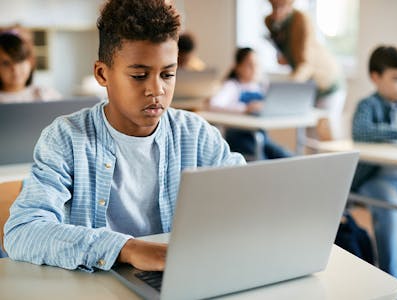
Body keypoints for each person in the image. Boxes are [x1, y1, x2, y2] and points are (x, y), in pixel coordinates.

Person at [3, 0, 245, 271]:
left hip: (175, 277)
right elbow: (22, 232)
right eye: (140, 75)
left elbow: (246, 200)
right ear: (102, 74)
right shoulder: (66, 138)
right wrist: (127, 249)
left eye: (168, 74)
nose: (157, 90)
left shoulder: (197, 134)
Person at [264, 0, 346, 140]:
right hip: (308, 86)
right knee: (309, 135)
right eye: (274, 6)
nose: (277, 11)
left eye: (281, 6)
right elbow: (284, 55)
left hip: (327, 81)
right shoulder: (269, 22)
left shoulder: (301, 19)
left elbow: (306, 63)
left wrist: (288, 87)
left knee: (327, 132)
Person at [352, 45, 397, 278]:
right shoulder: (368, 105)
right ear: (375, 77)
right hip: (374, 178)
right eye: (396, 78)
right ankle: (391, 277)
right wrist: (396, 132)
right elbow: (361, 131)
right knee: (389, 206)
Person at [209, 47, 292, 160]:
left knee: (287, 156)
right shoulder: (232, 86)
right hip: (239, 138)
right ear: (238, 67)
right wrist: (245, 108)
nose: (255, 69)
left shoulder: (260, 87)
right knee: (265, 163)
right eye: (250, 65)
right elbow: (214, 104)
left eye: (257, 65)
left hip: (262, 137)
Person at [0, 26, 61, 103]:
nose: (15, 69)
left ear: (30, 62)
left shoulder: (46, 95)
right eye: (6, 63)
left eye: (20, 60)